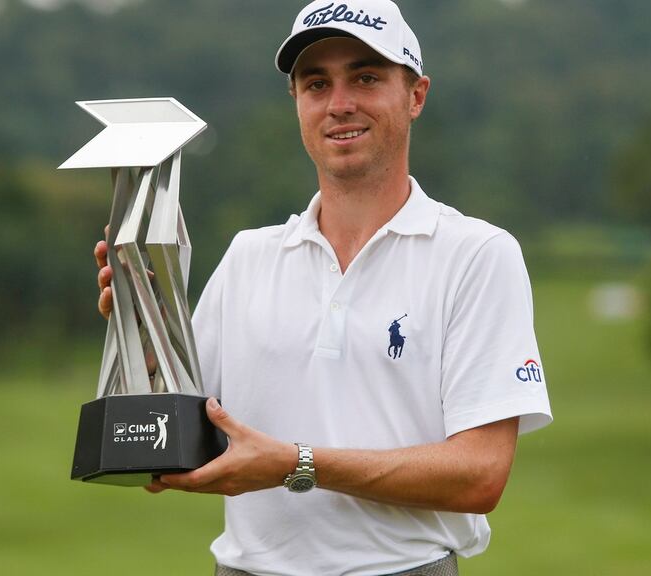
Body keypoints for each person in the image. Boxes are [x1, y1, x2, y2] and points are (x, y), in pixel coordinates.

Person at [94, 1, 552, 574]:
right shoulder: (248, 257)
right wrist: (143, 331)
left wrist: (297, 463)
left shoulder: (477, 255)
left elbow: (480, 475)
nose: (340, 104)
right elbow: (182, 436)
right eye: (317, 83)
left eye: (365, 77)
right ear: (297, 104)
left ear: (416, 95)